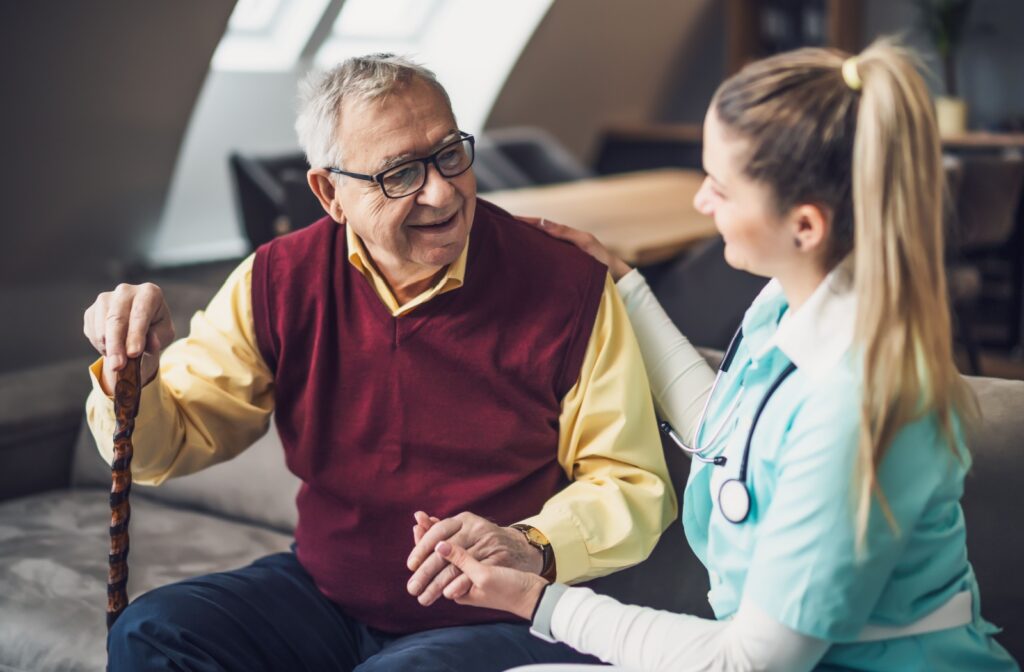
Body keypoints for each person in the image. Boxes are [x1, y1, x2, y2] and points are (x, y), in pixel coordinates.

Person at [427, 39, 1020, 671]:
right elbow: (729, 433)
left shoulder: (859, 408)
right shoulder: (791, 302)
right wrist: (625, 287)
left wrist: (542, 603)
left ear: (806, 226)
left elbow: (747, 663)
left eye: (721, 187)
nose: (701, 202)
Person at [82, 54, 677, 671]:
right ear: (329, 192)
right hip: (325, 594)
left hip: (504, 615)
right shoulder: (278, 279)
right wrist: (137, 373)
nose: (443, 192)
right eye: (401, 174)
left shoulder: (567, 284)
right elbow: (164, 445)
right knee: (153, 632)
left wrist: (527, 544)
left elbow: (633, 484)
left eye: (450, 154)